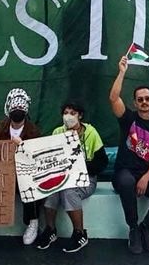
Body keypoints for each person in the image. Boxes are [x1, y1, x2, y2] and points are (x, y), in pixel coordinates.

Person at [108, 54, 149, 255]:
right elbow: (113, 98)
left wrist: (146, 178)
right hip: (124, 173)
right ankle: (134, 229)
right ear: (135, 103)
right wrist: (122, 72)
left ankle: (147, 227)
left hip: (146, 175)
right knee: (127, 182)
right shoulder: (128, 119)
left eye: (147, 99)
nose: (144, 102)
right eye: (140, 99)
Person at [36, 100, 107, 253]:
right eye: (66, 113)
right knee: (51, 190)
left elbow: (102, 162)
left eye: (73, 113)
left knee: (69, 191)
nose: (68, 117)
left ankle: (80, 233)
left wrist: (80, 167)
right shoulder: (57, 133)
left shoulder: (90, 133)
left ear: (80, 116)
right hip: (62, 177)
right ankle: (50, 230)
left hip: (86, 178)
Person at [0, 88, 43, 245]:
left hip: (23, 175)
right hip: (1, 173)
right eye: (14, 109)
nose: (17, 112)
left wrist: (24, 146)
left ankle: (33, 222)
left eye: (20, 109)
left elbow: (38, 157)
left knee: (30, 186)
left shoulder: (33, 131)